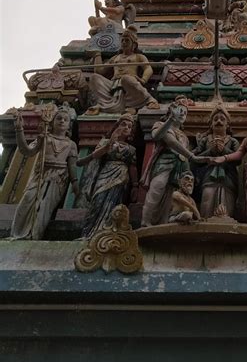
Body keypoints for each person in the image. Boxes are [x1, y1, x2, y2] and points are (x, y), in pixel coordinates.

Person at [10, 106, 79, 240]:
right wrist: (19, 129)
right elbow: (26, 151)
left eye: (66, 120)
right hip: (40, 174)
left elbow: (72, 166)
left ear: (69, 125)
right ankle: (18, 234)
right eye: (58, 118)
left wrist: (75, 184)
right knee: (27, 201)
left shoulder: (71, 144)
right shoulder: (45, 138)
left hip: (58, 178)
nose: (62, 121)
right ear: (52, 121)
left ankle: (34, 235)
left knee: (44, 209)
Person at [141, 98, 206, 226]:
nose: (182, 114)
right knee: (157, 188)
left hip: (179, 168)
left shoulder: (184, 136)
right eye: (180, 110)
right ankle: (146, 221)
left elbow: (184, 153)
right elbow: (166, 140)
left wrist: (199, 148)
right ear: (171, 111)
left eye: (185, 113)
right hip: (164, 163)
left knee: (171, 195)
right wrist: (170, 119)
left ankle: (164, 223)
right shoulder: (160, 125)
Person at [78, 113, 137, 239]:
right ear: (116, 126)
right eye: (123, 124)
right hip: (105, 173)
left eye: (129, 126)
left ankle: (108, 233)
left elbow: (133, 167)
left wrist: (136, 186)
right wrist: (111, 141)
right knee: (97, 202)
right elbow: (96, 155)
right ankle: (89, 233)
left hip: (121, 176)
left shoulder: (131, 149)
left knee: (114, 204)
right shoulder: (106, 142)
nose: (126, 128)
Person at [86, 26, 160, 115]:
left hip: (129, 83)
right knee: (94, 78)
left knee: (126, 79)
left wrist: (143, 80)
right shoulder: (115, 58)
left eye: (127, 40)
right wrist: (97, 55)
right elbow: (99, 71)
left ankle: (148, 99)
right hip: (113, 85)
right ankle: (103, 104)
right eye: (122, 40)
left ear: (134, 45)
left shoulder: (138, 56)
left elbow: (148, 68)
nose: (124, 42)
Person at [193, 105, 240, 219]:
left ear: (227, 125)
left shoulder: (233, 141)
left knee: (227, 207)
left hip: (228, 179)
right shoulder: (205, 140)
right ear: (211, 124)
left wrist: (224, 150)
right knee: (207, 204)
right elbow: (194, 159)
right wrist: (210, 151)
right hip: (208, 179)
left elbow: (239, 159)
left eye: (222, 119)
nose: (219, 121)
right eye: (215, 119)